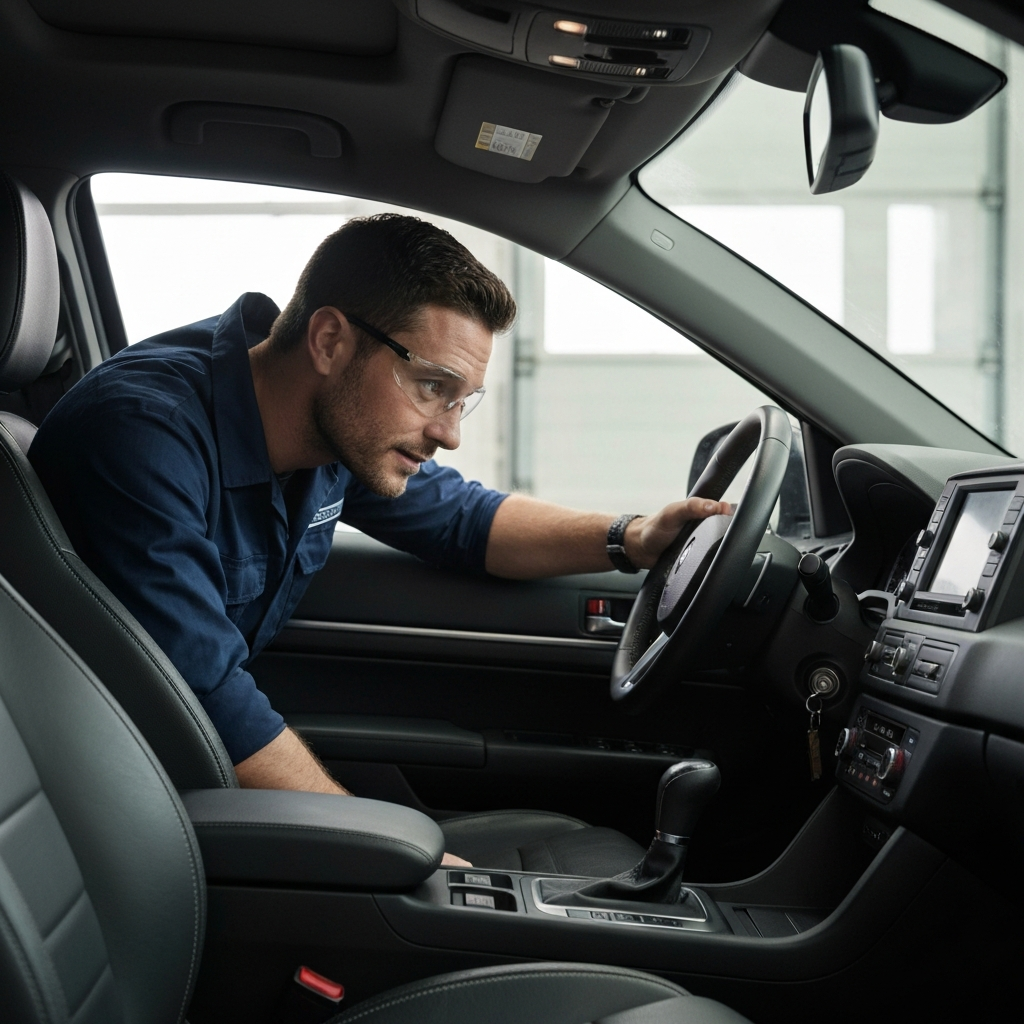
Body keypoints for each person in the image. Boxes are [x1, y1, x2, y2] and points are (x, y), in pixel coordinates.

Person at [29, 214, 730, 867]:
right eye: (432, 387)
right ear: (331, 341)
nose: (450, 432)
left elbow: (465, 520)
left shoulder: (326, 428)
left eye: (461, 401)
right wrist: (393, 857)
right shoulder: (140, 434)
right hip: (116, 813)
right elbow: (205, 698)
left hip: (180, 773)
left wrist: (633, 538)